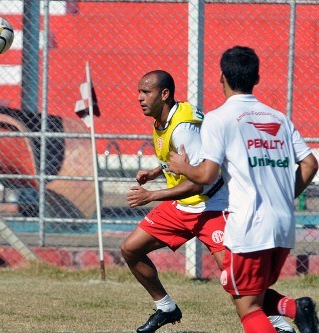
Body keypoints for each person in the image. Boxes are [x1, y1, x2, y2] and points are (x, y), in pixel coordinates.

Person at [122, 70, 295, 333]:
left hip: (213, 207)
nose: (139, 98)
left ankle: (278, 322)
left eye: (146, 92)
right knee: (130, 249)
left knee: (237, 280)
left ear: (164, 94)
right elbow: (185, 156)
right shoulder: (162, 118)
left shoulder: (183, 127)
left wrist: (151, 195)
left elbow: (198, 181)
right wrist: (157, 171)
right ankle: (166, 307)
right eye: (139, 92)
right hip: (182, 206)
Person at [166, 46, 319, 333]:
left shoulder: (219, 118)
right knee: (253, 295)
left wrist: (181, 166)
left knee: (248, 307)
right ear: (257, 77)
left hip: (250, 225)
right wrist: (284, 197)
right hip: (283, 226)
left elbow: (206, 175)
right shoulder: (278, 118)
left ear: (221, 77)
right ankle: (298, 310)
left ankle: (298, 310)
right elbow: (310, 164)